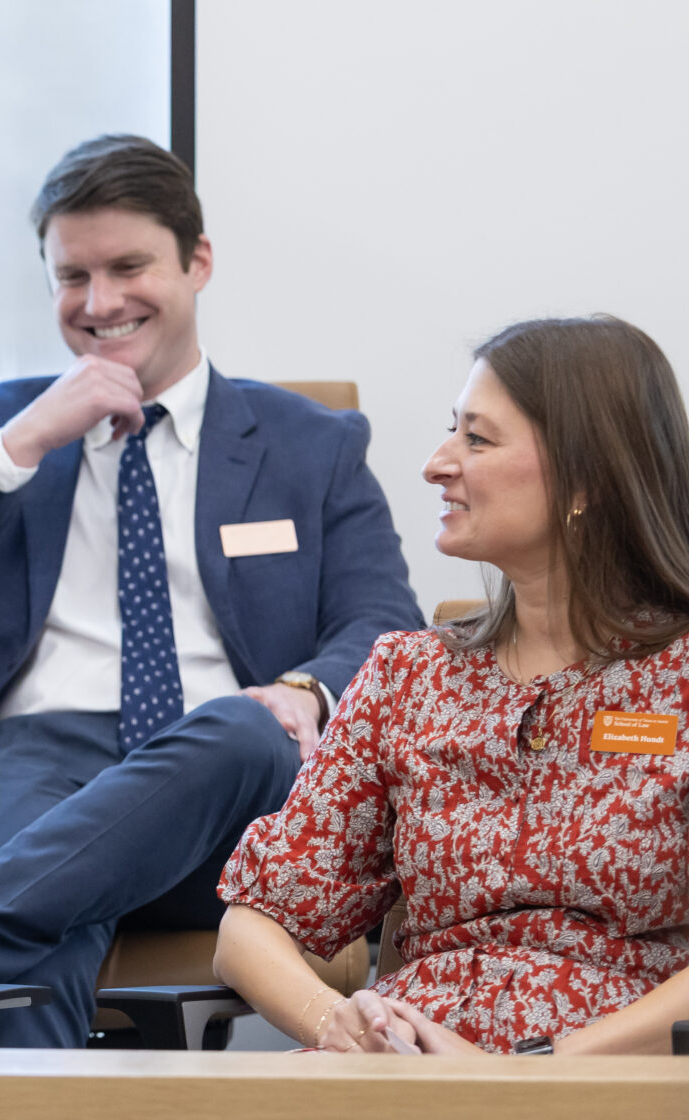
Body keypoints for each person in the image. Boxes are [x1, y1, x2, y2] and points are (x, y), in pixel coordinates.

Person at [0, 135, 422, 1047]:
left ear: (197, 262)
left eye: (128, 266)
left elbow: (381, 621)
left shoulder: (311, 444)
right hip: (40, 758)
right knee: (66, 873)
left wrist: (301, 690)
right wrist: (23, 446)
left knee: (237, 730)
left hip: (234, 769)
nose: (100, 302)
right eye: (71, 275)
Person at [216, 316, 689, 1055]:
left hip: (605, 1078)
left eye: (478, 438)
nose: (438, 463)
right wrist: (331, 1022)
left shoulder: (679, 680)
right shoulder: (408, 675)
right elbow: (252, 924)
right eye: (451, 433)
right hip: (402, 1072)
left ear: (586, 480)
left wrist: (535, 1075)